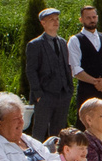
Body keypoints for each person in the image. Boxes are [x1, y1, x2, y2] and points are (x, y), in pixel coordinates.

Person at [23, 8, 76, 137]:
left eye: (57, 19)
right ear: (43, 23)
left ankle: (57, 156)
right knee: (39, 132)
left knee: (58, 133)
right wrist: (38, 94)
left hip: (63, 95)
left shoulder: (63, 42)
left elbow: (66, 67)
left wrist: (70, 89)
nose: (55, 22)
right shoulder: (35, 44)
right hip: (45, 95)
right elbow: (31, 70)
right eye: (51, 19)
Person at [70, 5, 102, 112]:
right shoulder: (75, 40)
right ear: (81, 20)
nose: (92, 20)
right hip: (86, 90)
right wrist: (96, 82)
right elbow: (75, 68)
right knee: (86, 123)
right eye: (88, 18)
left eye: (94, 17)